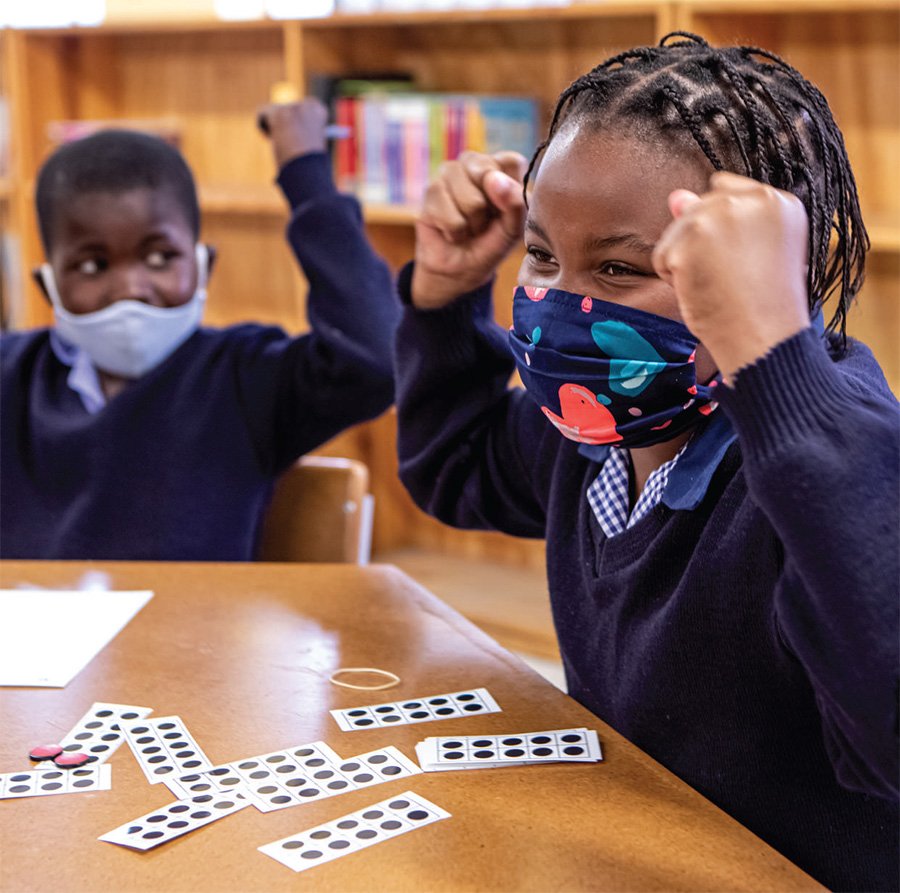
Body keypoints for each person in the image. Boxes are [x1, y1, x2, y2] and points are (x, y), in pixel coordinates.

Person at [393, 32, 899, 891]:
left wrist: (771, 357)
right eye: (544, 254)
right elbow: (457, 464)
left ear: (773, 275)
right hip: (626, 848)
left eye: (621, 267)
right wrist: (443, 298)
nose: (557, 303)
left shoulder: (841, 455)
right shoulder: (595, 427)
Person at [0, 99, 399, 560]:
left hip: (190, 632)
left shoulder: (245, 380)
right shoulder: (13, 376)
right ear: (47, 286)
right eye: (93, 265)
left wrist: (305, 172)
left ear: (204, 265)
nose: (131, 288)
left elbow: (375, 358)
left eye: (160, 258)